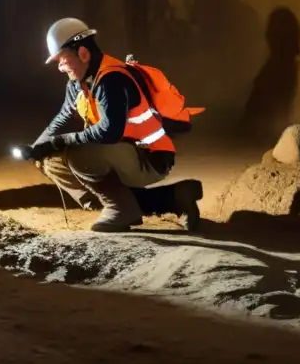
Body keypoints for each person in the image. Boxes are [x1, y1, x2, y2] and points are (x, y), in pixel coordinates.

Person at [22, 17, 202, 232]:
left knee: (79, 154)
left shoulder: (112, 80)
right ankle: (174, 197)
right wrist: (37, 148)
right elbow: (63, 118)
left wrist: (60, 141)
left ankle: (120, 208)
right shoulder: (77, 83)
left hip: (150, 157)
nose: (60, 67)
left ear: (83, 54)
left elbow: (109, 132)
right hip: (122, 153)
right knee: (49, 160)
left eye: (62, 59)